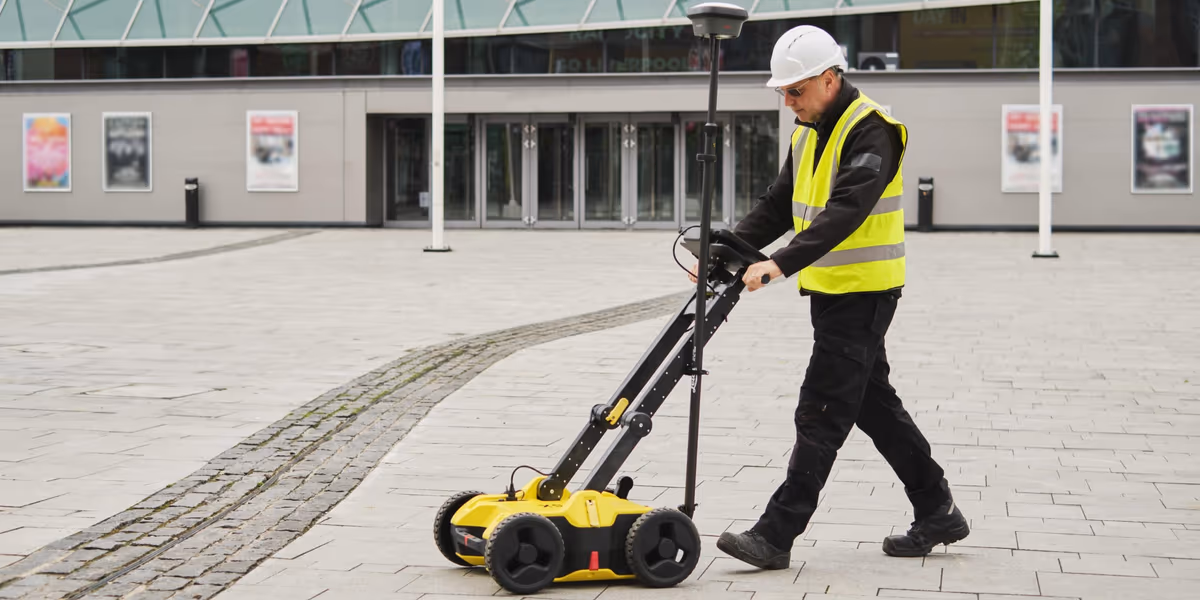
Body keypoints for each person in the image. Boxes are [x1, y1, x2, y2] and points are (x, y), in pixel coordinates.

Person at [689, 25, 969, 568]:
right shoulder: (806, 130)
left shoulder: (873, 131)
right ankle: (938, 508)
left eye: (795, 91)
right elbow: (777, 204)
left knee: (821, 409)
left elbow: (847, 210)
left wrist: (778, 264)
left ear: (830, 79)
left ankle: (775, 535)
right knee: (873, 406)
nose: (788, 102)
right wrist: (728, 250)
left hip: (864, 294)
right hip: (832, 292)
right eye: (783, 94)